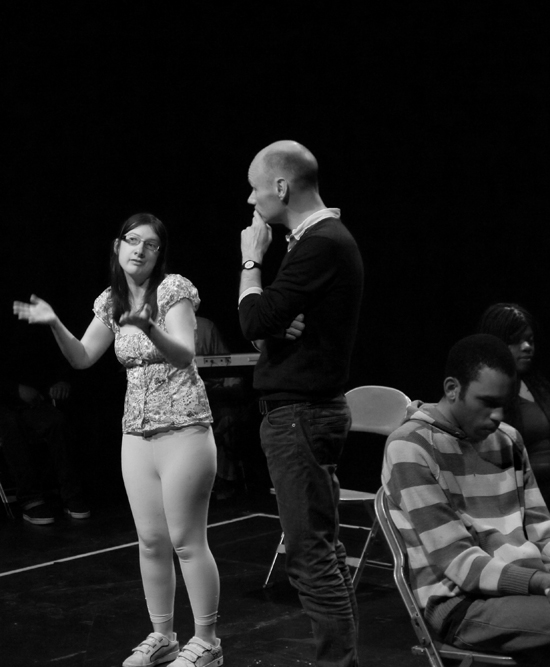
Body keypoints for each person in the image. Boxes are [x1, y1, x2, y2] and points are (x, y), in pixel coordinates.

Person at [13, 213, 222, 667]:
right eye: (132, 241)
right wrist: (53, 323)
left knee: (186, 540)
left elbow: (186, 351)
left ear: (159, 254)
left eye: (150, 245)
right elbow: (84, 357)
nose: (139, 250)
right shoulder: (110, 300)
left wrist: (148, 327)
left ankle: (207, 642)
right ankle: (163, 636)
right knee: (150, 540)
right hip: (136, 434)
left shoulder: (173, 290)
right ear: (117, 246)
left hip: (184, 427)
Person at [238, 140, 364, 667]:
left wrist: (250, 260)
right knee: (325, 555)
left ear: (282, 187)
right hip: (306, 415)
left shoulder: (320, 243)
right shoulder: (313, 243)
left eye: (255, 187)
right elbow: (267, 327)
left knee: (311, 561)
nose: (250, 200)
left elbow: (253, 321)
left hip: (301, 418)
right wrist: (271, 324)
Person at [382, 334, 550, 666]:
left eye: (503, 403)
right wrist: (540, 581)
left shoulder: (509, 440)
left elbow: (542, 529)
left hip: (524, 589)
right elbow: (458, 561)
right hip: (459, 601)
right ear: (451, 389)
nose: (498, 415)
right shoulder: (410, 448)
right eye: (486, 402)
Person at [478, 303, 550, 507]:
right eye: (516, 341)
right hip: (526, 500)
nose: (527, 347)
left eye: (530, 340)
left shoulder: (539, 385)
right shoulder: (487, 395)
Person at [0, 363, 90, 524]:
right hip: (5, 399)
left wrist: (61, 380)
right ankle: (30, 499)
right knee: (11, 427)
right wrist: (14, 389)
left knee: (57, 422)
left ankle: (72, 494)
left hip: (31, 397)